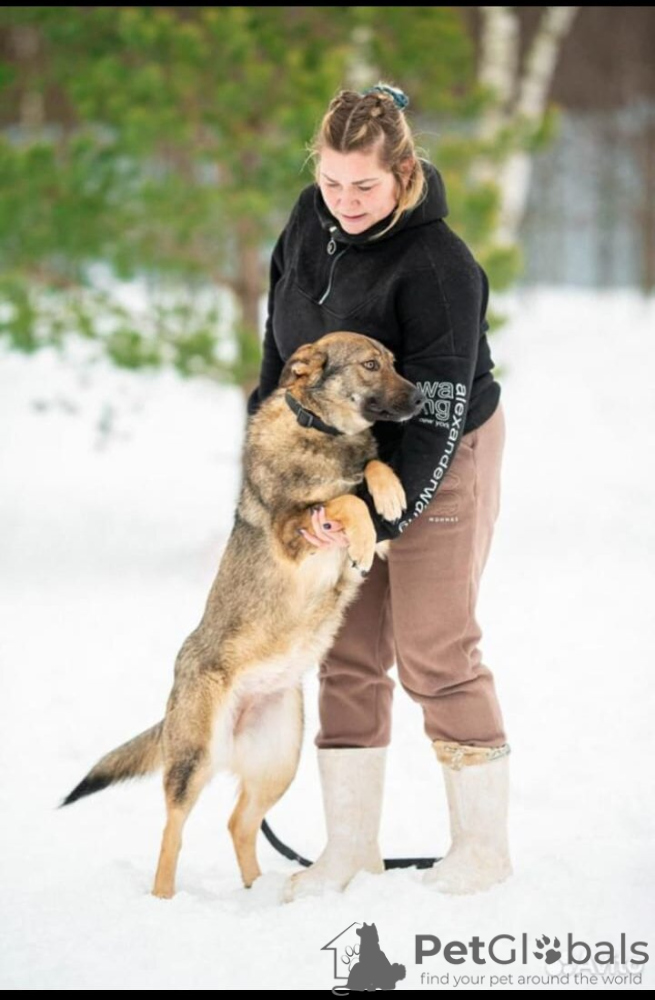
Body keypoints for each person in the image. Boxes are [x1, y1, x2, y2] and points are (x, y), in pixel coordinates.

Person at [246, 82, 512, 898]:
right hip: (330, 462)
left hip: (441, 449)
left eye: (364, 185)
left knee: (434, 650)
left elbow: (434, 413)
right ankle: (349, 848)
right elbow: (275, 351)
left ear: (403, 172)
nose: (345, 202)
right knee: (346, 651)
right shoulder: (306, 220)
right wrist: (278, 488)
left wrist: (375, 510)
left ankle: (482, 851)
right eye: (331, 182)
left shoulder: (438, 266)